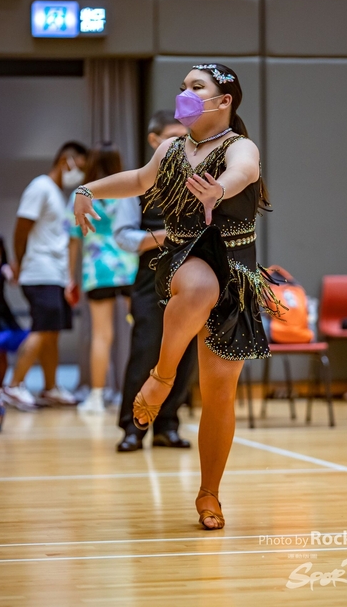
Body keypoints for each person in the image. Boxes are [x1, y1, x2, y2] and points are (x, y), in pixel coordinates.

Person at [74, 64, 283, 530]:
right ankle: (163, 376)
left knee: (219, 395)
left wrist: (219, 189)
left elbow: (244, 172)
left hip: (236, 274)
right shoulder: (170, 148)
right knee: (199, 284)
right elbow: (138, 180)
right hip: (185, 258)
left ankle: (209, 493)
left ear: (224, 100)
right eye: (183, 86)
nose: (184, 93)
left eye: (196, 87)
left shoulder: (239, 146)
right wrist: (88, 189)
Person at [113, 110, 195, 451]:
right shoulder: (139, 183)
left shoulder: (198, 179)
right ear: (154, 140)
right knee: (146, 349)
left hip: (191, 279)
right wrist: (167, 235)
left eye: (186, 137)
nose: (182, 143)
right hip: (150, 278)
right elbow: (124, 237)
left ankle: (167, 425)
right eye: (175, 136)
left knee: (185, 352)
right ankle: (133, 427)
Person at [6, 141, 88, 408]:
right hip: (39, 272)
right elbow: (21, 229)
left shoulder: (57, 193)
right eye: (80, 167)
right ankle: (13, 386)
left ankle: (50, 388)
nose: (80, 174)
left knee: (52, 332)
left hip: (55, 275)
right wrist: (19, 263)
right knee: (41, 329)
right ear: (66, 161)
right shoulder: (40, 187)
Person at [67, 142, 138, 413]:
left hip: (97, 271)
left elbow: (74, 239)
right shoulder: (129, 188)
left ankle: (96, 397)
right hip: (129, 267)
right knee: (139, 331)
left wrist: (69, 277)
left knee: (101, 335)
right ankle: (135, 394)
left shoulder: (81, 194)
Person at [0, 230, 28, 392]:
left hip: (0, 318)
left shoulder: (2, 269)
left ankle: (0, 386)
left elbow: (13, 280)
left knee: (0, 352)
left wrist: (15, 271)